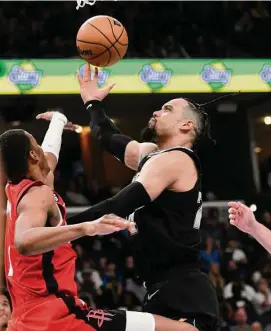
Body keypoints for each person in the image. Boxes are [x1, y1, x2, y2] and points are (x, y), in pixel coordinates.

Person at [55, 65, 219, 331]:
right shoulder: (152, 154)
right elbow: (107, 137)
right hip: (159, 289)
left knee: (95, 321)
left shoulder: (176, 159)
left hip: (185, 294)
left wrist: (58, 230)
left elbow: (118, 205)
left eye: (167, 109)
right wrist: (92, 103)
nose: (156, 111)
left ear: (186, 125)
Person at [1, 116, 190, 331]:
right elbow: (24, 241)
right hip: (53, 316)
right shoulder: (37, 195)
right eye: (36, 143)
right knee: (182, 329)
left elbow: (50, 153)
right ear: (33, 155)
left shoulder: (21, 185)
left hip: (28, 315)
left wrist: (58, 121)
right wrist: (87, 227)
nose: (42, 149)